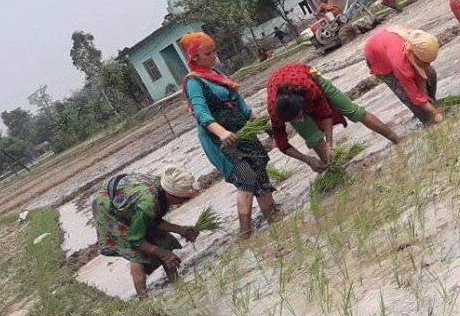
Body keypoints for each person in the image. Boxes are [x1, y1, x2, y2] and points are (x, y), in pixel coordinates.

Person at [179, 32, 277, 238]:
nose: (214, 55)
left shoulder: (218, 74)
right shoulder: (194, 82)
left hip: (242, 130)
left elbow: (240, 103)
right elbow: (201, 112)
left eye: (214, 50)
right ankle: (246, 233)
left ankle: (274, 218)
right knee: (247, 178)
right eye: (208, 53)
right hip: (222, 140)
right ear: (194, 58)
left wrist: (260, 123)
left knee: (259, 171)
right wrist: (222, 133)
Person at [92, 166, 200, 299]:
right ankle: (144, 299)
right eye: (183, 199)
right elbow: (135, 240)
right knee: (137, 254)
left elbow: (153, 220)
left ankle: (178, 284)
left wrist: (182, 230)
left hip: (128, 201)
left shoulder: (161, 191)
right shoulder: (149, 202)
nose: (185, 201)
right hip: (108, 208)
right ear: (170, 194)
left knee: (163, 241)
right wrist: (164, 254)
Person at [267, 63, 401, 170]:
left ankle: (398, 140)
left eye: (300, 116)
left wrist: (330, 143)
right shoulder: (276, 112)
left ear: (303, 105)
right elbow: (282, 144)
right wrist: (309, 160)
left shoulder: (309, 88)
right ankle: (339, 173)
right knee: (314, 138)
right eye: (294, 121)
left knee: (353, 111)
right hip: (287, 97)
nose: (300, 120)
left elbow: (326, 113)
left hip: (308, 77)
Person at [364, 25, 443, 124]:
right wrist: (434, 113)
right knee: (407, 95)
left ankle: (429, 105)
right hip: (377, 58)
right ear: (415, 56)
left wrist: (425, 95)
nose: (427, 65)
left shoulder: (417, 41)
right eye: (425, 63)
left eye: (429, 63)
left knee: (430, 73)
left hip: (387, 44)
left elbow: (421, 77)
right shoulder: (400, 63)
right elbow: (412, 93)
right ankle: (427, 119)